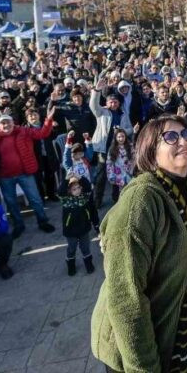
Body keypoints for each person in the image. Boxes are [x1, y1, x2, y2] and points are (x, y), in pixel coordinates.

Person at [91, 115, 187, 373]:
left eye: (186, 135)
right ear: (150, 151)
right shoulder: (141, 200)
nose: (183, 141)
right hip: (146, 353)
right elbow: (125, 298)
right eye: (171, 137)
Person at [0, 110, 57, 238]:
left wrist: (48, 120)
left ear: (13, 122)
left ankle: (43, 221)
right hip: (5, 176)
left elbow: (42, 134)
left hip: (24, 173)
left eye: (8, 122)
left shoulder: (24, 131)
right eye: (3, 123)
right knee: (11, 202)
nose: (6, 125)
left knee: (35, 199)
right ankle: (18, 225)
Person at [90, 78, 133, 208]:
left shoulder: (123, 114)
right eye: (111, 101)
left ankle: (116, 198)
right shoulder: (101, 112)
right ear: (107, 103)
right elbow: (93, 105)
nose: (113, 104)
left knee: (117, 172)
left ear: (119, 103)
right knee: (101, 175)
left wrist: (121, 131)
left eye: (115, 102)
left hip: (117, 148)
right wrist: (96, 91)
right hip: (103, 148)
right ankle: (97, 200)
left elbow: (130, 129)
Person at [58, 175, 98, 276]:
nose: (77, 190)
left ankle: (89, 264)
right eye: (74, 189)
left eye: (78, 188)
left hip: (84, 228)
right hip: (70, 231)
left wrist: (79, 177)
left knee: (85, 247)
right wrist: (66, 179)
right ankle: (71, 265)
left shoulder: (84, 197)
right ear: (69, 191)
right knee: (72, 248)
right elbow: (60, 192)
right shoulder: (66, 200)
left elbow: (88, 187)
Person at [106, 127, 134, 203]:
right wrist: (110, 175)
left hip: (129, 174)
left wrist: (133, 171)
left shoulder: (130, 146)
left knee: (129, 192)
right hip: (117, 175)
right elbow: (109, 163)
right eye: (119, 137)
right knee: (118, 195)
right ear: (115, 138)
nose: (121, 139)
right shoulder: (112, 148)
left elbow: (134, 159)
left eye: (122, 136)